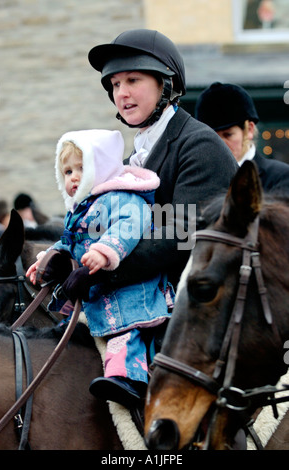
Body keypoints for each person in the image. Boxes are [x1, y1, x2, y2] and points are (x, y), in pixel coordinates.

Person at [57, 29, 238, 405]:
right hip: (139, 298)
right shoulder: (131, 159)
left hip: (196, 313)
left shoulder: (199, 145)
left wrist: (96, 271)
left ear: (166, 84)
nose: (121, 93)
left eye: (133, 80)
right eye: (115, 83)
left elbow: (179, 237)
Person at [27, 128, 174, 407]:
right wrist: (46, 258)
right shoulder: (80, 209)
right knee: (72, 328)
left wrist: (104, 252)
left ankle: (126, 379)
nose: (73, 177)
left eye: (81, 168)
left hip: (127, 290)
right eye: (67, 172)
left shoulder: (120, 197)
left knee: (125, 333)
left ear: (101, 166)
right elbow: (67, 241)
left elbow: (131, 225)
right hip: (98, 291)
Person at [195, 82, 289, 193]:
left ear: (249, 129)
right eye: (212, 137)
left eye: (228, 135)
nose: (219, 144)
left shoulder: (281, 177)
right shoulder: (195, 179)